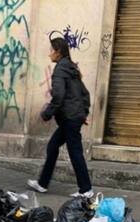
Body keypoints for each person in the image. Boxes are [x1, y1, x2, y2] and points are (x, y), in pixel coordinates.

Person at [28, 37, 93, 195]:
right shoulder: (72, 68)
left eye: (51, 50)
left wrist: (47, 114)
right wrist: (83, 113)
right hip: (72, 117)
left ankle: (86, 190)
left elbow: (59, 96)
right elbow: (84, 93)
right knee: (53, 146)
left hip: (70, 118)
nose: (49, 54)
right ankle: (42, 184)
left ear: (58, 52)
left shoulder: (60, 70)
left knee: (75, 152)